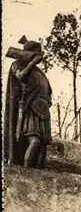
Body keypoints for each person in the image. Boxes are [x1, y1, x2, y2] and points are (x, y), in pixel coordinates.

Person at [4, 38, 52, 169]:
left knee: (42, 145)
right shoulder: (17, 65)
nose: (41, 54)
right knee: (34, 141)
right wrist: (31, 64)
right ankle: (25, 171)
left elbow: (48, 93)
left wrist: (48, 100)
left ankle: (38, 172)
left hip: (43, 111)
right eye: (37, 51)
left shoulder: (40, 73)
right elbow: (19, 77)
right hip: (29, 109)